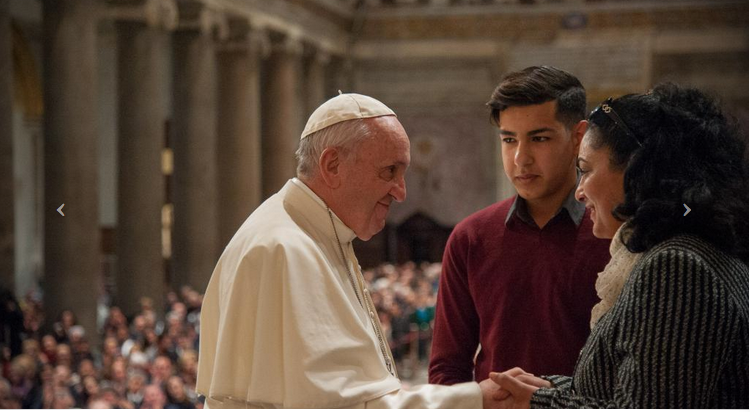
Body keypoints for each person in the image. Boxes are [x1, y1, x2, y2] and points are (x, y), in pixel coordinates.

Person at [196, 93, 504, 408]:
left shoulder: (314, 233)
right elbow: (344, 406)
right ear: (332, 165)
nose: (401, 192)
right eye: (389, 171)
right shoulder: (287, 250)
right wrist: (478, 399)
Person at [490, 83, 749, 408]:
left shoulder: (677, 266)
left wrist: (540, 402)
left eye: (585, 170)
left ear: (636, 171)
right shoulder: (690, 249)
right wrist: (550, 388)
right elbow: (632, 387)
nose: (579, 192)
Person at [429, 66, 611, 384]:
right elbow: (447, 370)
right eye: (509, 140)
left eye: (539, 138)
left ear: (578, 138)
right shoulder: (470, 238)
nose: (520, 158)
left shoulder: (614, 235)